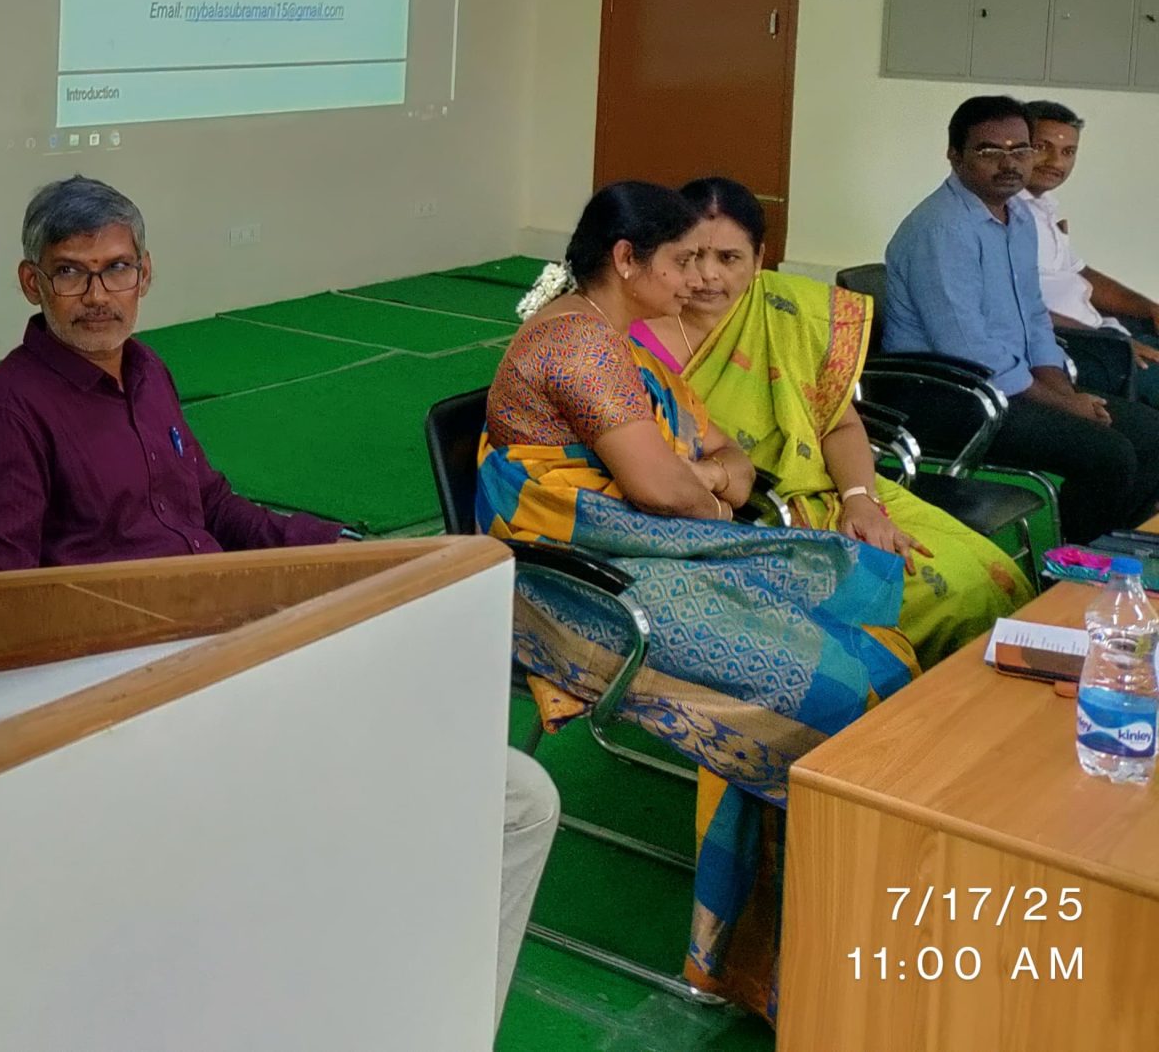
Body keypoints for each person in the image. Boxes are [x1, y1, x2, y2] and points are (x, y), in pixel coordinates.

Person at [0, 176, 559, 1027]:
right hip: (150, 707)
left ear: (145, 273)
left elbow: (212, 507)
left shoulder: (147, 374)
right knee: (501, 805)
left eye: (115, 268)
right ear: (31, 283)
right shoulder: (12, 414)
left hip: (240, 655)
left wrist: (337, 549)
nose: (97, 295)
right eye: (70, 273)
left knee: (522, 802)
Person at [486, 183, 916, 1018]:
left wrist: (705, 482)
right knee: (835, 691)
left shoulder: (622, 340)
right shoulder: (576, 346)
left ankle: (840, 904)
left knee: (870, 631)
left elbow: (730, 463)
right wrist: (704, 488)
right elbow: (667, 490)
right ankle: (775, 953)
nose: (698, 281)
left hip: (650, 548)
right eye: (683, 261)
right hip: (578, 582)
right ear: (627, 260)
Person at [635, 177, 1026, 666]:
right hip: (740, 518)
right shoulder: (635, 336)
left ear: (760, 258)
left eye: (729, 258)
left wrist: (860, 501)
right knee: (941, 592)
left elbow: (838, 427)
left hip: (839, 487)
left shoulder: (789, 311)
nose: (708, 276)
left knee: (984, 572)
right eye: (693, 257)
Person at [883, 95, 1159, 544]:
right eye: (989, 150)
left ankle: (1109, 554)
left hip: (1008, 385)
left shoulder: (1019, 219)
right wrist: (1063, 406)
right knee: (1108, 455)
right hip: (949, 396)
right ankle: (1067, 569)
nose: (1009, 163)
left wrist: (1064, 391)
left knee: (1151, 434)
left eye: (1020, 149)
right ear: (955, 155)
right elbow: (968, 349)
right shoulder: (941, 229)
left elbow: (1033, 316)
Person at [1020, 100, 1159, 406]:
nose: (1056, 161)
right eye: (1042, 147)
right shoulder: (1006, 215)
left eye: (1068, 152)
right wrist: (1111, 343)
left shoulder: (1041, 208)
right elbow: (1016, 308)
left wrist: (1149, 308)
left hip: (1103, 331)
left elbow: (1080, 273)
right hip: (1073, 347)